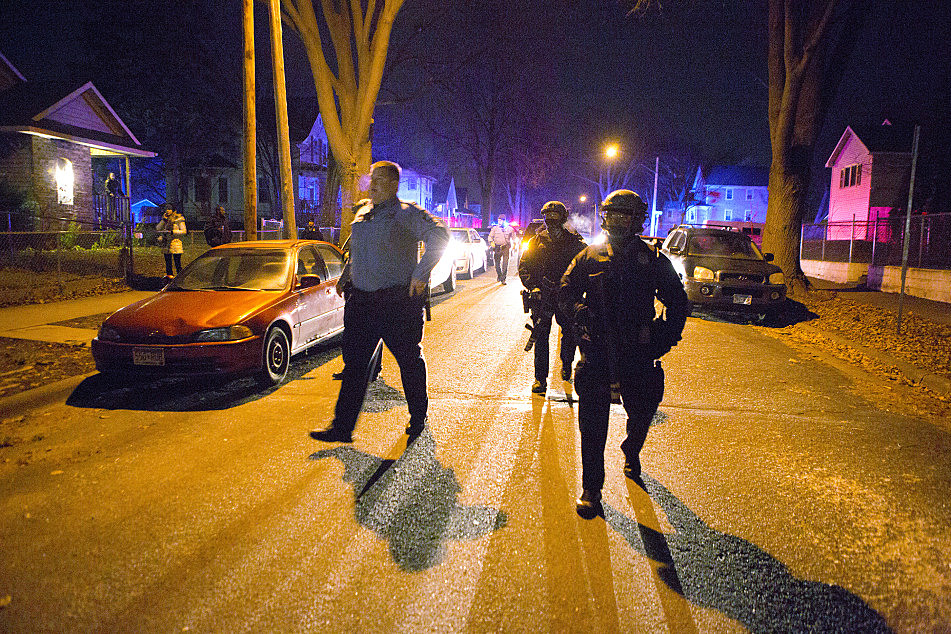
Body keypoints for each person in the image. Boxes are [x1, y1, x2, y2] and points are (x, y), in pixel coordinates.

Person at [560, 190, 689, 519]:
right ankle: (592, 487)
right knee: (591, 425)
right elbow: (565, 291)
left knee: (643, 413)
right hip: (598, 353)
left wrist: (664, 338)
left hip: (639, 352)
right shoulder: (589, 255)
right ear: (604, 217)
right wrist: (578, 311)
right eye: (612, 215)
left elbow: (677, 301)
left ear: (637, 220)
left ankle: (632, 449)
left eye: (624, 216)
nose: (617, 222)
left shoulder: (652, 259)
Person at [310, 161, 449, 443]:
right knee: (356, 366)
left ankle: (418, 415)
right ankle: (342, 428)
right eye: (371, 179)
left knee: (408, 361)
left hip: (397, 302)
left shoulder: (406, 214)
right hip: (362, 303)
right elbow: (358, 251)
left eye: (380, 180)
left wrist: (421, 274)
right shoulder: (364, 214)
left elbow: (440, 236)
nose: (372, 185)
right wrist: (346, 276)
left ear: (394, 185)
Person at [518, 201, 586, 394]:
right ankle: (540, 379)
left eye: (555, 218)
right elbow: (524, 267)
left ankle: (566, 363)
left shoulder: (575, 242)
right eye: (548, 218)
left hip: (566, 297)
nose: (552, 222)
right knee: (541, 337)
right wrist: (533, 286)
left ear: (563, 219)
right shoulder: (536, 241)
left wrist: (573, 289)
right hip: (543, 297)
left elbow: (585, 266)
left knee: (570, 334)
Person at [156, 207, 187, 278]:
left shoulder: (178, 219)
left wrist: (173, 232)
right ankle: (169, 279)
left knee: (177, 263)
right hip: (166, 244)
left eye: (169, 209)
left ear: (173, 210)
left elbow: (184, 231)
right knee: (168, 264)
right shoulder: (165, 219)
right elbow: (158, 228)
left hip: (176, 243)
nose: (167, 211)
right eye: (166, 209)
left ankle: (180, 279)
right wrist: (164, 220)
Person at [488, 215, 517, 284]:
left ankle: (503, 279)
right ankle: (499, 275)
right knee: (497, 263)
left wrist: (514, 245)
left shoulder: (510, 229)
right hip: (497, 248)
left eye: (501, 220)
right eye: (498, 220)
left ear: (504, 221)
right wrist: (491, 242)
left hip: (505, 247)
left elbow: (514, 238)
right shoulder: (495, 228)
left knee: (505, 263)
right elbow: (490, 236)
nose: (499, 222)